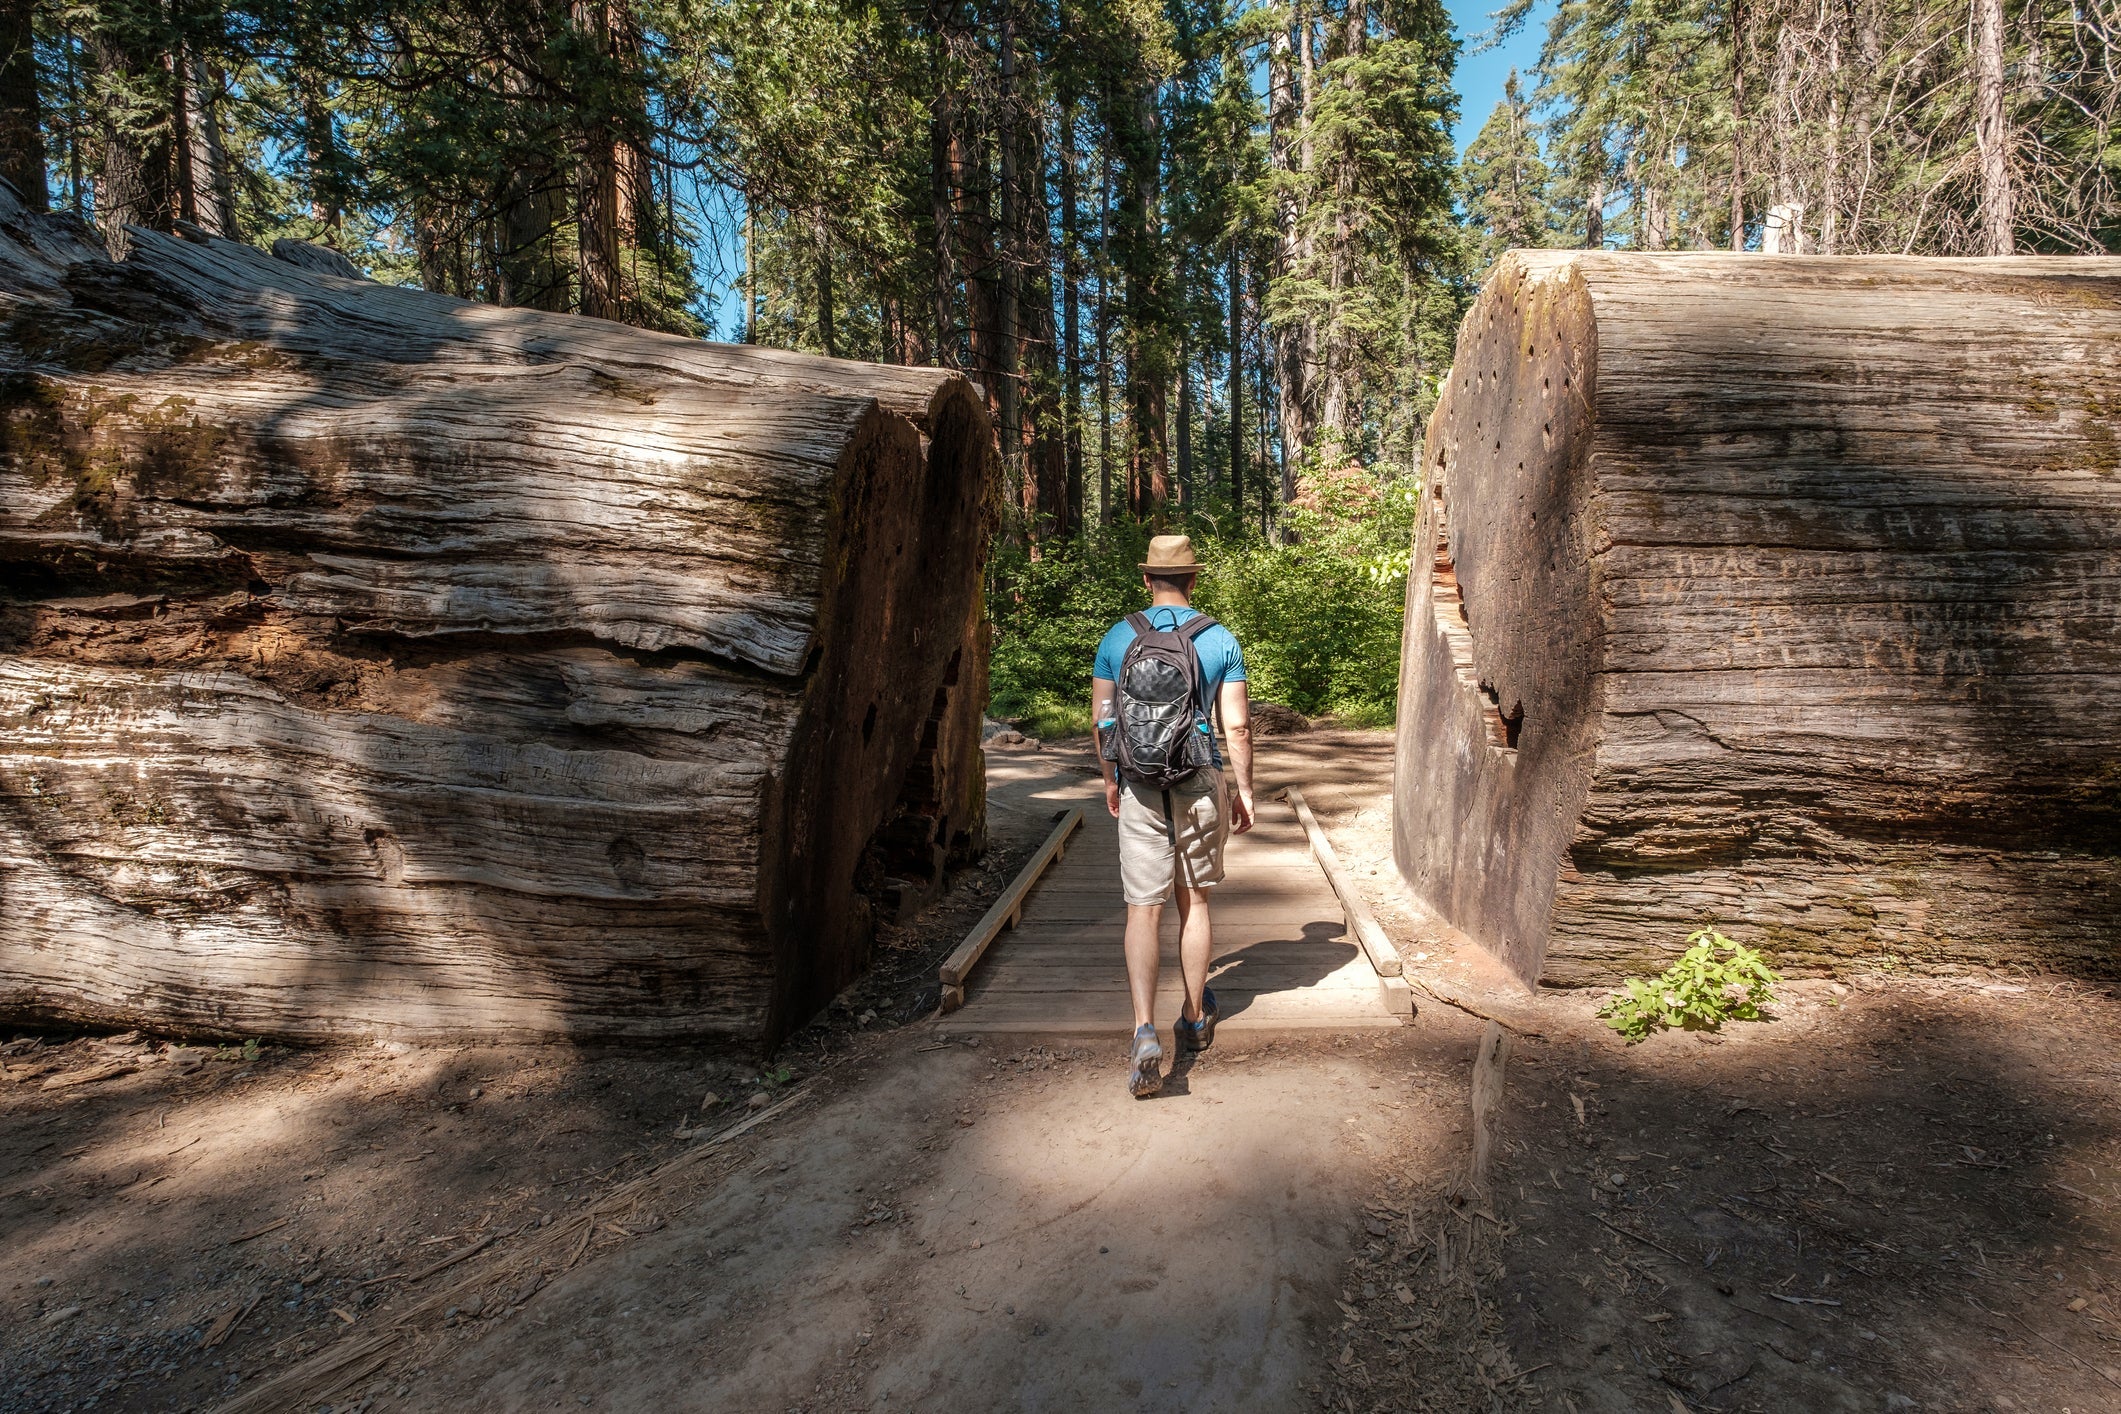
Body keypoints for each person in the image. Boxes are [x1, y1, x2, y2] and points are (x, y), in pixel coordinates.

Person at [1092, 534, 1255, 1097]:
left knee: (1143, 908)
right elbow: (1236, 726)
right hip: (1199, 779)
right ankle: (1192, 1015)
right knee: (1195, 901)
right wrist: (1245, 790)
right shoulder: (1219, 639)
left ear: (1147, 580)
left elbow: (1105, 720)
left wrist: (1112, 779)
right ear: (1194, 578)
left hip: (1138, 782)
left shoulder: (1118, 637)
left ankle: (1143, 1030)